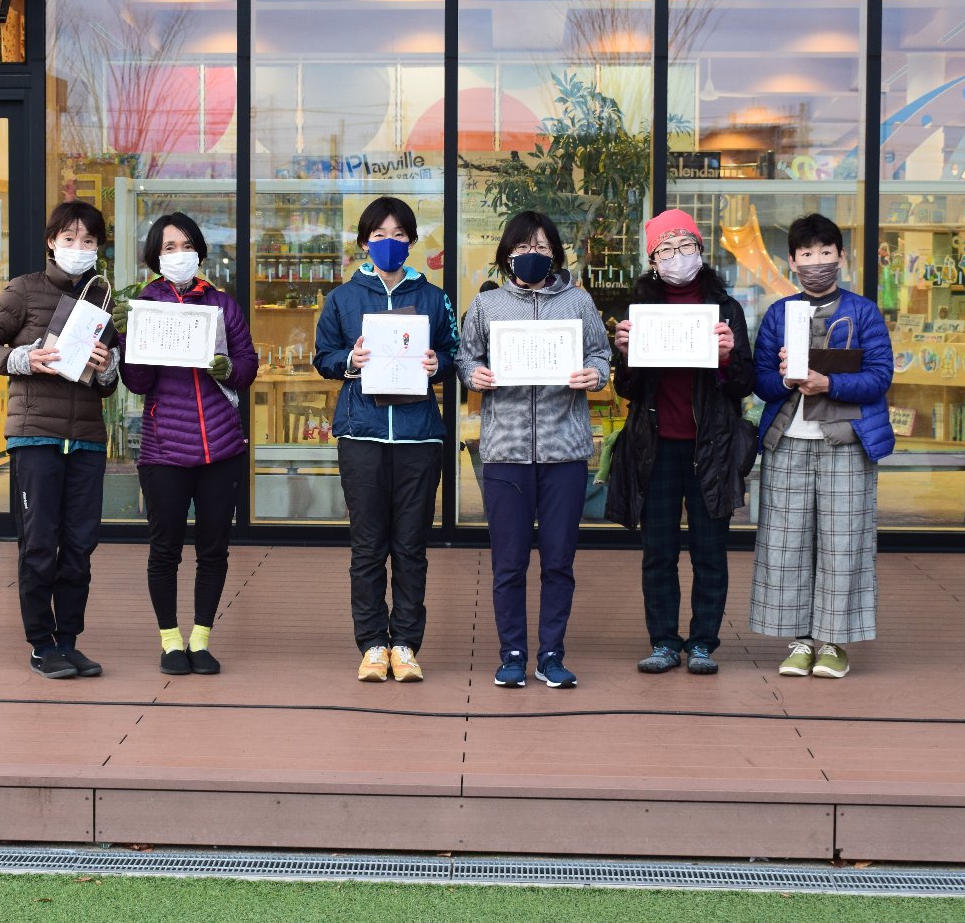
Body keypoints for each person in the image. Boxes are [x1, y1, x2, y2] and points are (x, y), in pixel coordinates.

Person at [456, 210, 611, 689]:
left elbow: (601, 353)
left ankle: (550, 654)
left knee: (559, 561)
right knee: (509, 562)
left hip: (565, 451)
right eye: (523, 247)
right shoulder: (488, 305)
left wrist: (595, 374)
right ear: (507, 255)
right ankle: (512, 654)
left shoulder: (578, 302)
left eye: (542, 248)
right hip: (505, 451)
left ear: (555, 255)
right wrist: (474, 375)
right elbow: (465, 357)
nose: (532, 255)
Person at [314, 196, 459, 683]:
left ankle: (406, 645)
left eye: (399, 235)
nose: (389, 243)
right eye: (379, 235)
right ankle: (374, 644)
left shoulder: (435, 297)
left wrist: (439, 363)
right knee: (368, 547)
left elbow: (455, 353)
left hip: (419, 437)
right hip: (362, 434)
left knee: (412, 547)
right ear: (364, 243)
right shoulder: (342, 298)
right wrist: (348, 361)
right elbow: (323, 357)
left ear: (411, 242)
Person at [0, 200, 118, 680]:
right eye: (70, 238)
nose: (79, 247)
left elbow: (109, 380)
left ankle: (68, 642)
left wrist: (106, 368)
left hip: (87, 439)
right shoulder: (24, 290)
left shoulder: (102, 299)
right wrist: (23, 359)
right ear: (52, 241)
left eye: (89, 240)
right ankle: (41, 644)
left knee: (79, 545)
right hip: (36, 436)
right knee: (39, 544)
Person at [607, 208, 756, 676]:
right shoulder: (639, 311)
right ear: (653, 260)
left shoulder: (726, 309)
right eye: (665, 249)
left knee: (710, 551)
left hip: (711, 445)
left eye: (685, 245)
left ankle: (703, 643)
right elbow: (628, 390)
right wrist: (625, 356)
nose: (677, 256)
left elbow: (744, 383)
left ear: (700, 250)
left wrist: (728, 358)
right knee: (659, 551)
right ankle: (664, 641)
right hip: (656, 446)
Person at [750, 213, 894, 679]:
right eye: (807, 254)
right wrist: (785, 377)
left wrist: (828, 382)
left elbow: (880, 377)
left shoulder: (863, 312)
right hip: (788, 442)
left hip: (846, 442)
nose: (817, 262)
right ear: (792, 262)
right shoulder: (779, 313)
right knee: (786, 543)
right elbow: (760, 381)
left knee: (843, 542)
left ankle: (833, 643)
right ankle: (799, 640)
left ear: (841, 257)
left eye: (826, 252)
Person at [114, 212, 259, 675]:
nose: (180, 254)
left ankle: (200, 638)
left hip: (221, 446)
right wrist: (128, 337)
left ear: (200, 250)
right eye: (169, 248)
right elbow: (137, 383)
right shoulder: (143, 304)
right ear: (155, 257)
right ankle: (170, 641)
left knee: (214, 549)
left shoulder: (222, 304)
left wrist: (228, 369)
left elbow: (247, 365)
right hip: (164, 449)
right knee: (165, 549)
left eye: (187, 245)